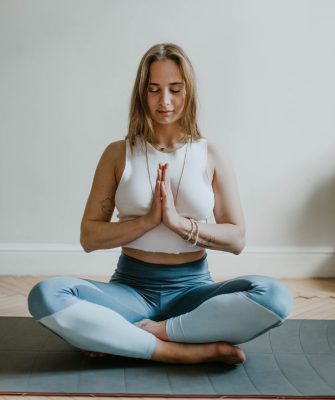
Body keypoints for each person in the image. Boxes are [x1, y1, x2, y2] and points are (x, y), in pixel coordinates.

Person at [27, 43, 293, 365]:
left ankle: (144, 334)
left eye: (175, 89)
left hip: (194, 293)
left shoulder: (211, 155)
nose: (164, 101)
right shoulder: (117, 154)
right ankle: (179, 350)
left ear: (189, 92)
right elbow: (89, 237)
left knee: (275, 296)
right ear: (142, 94)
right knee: (46, 295)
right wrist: (146, 221)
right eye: (154, 90)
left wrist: (179, 224)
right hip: (131, 291)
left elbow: (237, 239)